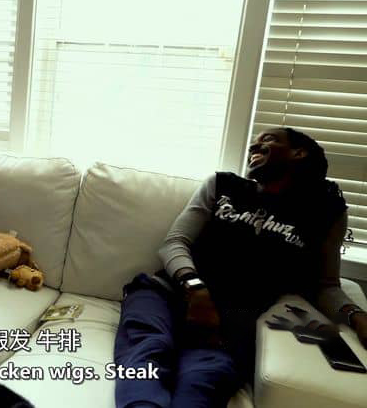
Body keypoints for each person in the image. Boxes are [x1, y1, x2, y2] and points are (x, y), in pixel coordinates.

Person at [114, 128, 367, 408]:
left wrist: (356, 316)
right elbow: (174, 243)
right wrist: (195, 287)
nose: (254, 145)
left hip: (231, 321)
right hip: (165, 295)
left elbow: (326, 285)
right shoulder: (222, 185)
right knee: (147, 351)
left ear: (299, 153)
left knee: (205, 376)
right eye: (255, 141)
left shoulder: (325, 213)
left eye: (268, 139)